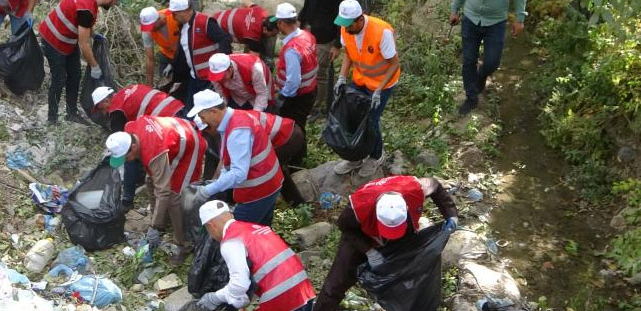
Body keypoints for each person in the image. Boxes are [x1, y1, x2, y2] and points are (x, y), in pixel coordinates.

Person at [314, 175, 458, 311]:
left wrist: (451, 214)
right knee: (335, 284)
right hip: (360, 237)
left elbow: (435, 185)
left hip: (401, 238)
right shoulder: (359, 207)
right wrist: (369, 251)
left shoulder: (414, 189)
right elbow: (345, 227)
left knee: (406, 276)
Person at [106, 116, 205, 263]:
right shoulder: (130, 130)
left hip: (189, 145)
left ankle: (184, 244)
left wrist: (153, 227)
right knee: (149, 180)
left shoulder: (153, 152)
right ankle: (161, 223)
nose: (126, 161)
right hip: (172, 140)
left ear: (133, 147)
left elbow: (163, 191)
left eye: (126, 157)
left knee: (173, 197)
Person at [195, 200, 316, 311]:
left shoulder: (231, 241)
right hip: (304, 290)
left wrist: (213, 298)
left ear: (211, 226)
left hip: (283, 299)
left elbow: (239, 285)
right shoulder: (255, 228)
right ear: (230, 215)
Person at [189, 90, 284, 225]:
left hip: (258, 189)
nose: (203, 121)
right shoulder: (233, 120)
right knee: (261, 231)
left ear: (213, 112)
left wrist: (207, 190)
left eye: (202, 117)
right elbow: (228, 161)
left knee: (236, 232)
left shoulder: (237, 130)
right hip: (268, 183)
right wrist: (219, 183)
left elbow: (239, 173)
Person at [39, 0, 122, 126]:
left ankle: (71, 113)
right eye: (116, 2)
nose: (114, 5)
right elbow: (84, 45)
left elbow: (81, 24)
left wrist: (94, 35)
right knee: (59, 79)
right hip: (53, 40)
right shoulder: (87, 10)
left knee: (75, 75)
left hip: (67, 40)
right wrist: (95, 66)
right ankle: (52, 119)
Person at [332, 0, 401, 175]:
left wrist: (379, 90)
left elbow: (394, 64)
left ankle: (376, 156)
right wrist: (342, 77)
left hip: (382, 83)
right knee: (354, 117)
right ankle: (355, 157)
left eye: (349, 25)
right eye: (344, 25)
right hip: (361, 79)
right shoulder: (345, 28)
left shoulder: (381, 31)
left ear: (360, 20)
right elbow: (348, 54)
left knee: (371, 120)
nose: (346, 29)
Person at [298, 0, 349, 113]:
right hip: (308, 29)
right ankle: (306, 99)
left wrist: (337, 44)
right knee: (304, 67)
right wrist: (301, 21)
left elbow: (342, 17)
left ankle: (318, 107)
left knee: (320, 74)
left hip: (326, 36)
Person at [170, 0, 233, 104]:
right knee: (191, 107)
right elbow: (185, 51)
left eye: (174, 14)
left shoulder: (205, 22)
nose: (173, 17)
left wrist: (220, 66)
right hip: (194, 76)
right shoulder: (183, 26)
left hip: (209, 77)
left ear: (184, 11)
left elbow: (224, 39)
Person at [271, 3, 319, 131]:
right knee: (299, 126)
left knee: (293, 130)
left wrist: (282, 97)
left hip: (297, 98)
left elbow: (293, 82)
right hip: (310, 90)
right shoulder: (307, 35)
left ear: (281, 23)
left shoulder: (292, 50)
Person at [247, 110, 307, 205]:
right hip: (289, 131)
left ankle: (294, 202)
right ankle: (296, 201)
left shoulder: (234, 126)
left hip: (288, 136)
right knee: (276, 169)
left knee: (267, 170)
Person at [91, 84, 185, 132]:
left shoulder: (116, 110)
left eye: (101, 108)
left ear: (106, 101)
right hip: (177, 106)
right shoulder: (130, 88)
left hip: (169, 120)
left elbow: (121, 139)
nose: (104, 113)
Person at [207, 53, 273, 111]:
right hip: (237, 96)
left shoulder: (254, 69)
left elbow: (262, 93)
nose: (220, 79)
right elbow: (221, 94)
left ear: (230, 69)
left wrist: (255, 114)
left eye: (222, 76)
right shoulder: (214, 74)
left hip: (261, 87)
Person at [211, 4, 278, 56]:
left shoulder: (260, 11)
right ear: (265, 30)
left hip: (219, 15)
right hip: (217, 28)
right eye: (273, 34)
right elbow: (254, 58)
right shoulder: (253, 35)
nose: (273, 36)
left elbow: (247, 2)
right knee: (226, 57)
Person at [139, 6, 181, 86]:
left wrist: (174, 63)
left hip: (184, 53)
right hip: (167, 55)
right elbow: (149, 58)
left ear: (158, 19)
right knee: (165, 85)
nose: (149, 29)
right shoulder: (147, 31)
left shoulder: (175, 15)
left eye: (151, 26)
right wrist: (149, 85)